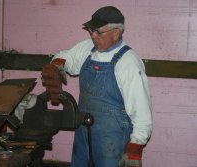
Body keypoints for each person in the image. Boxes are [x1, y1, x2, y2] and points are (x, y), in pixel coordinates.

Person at [41, 6, 152, 167]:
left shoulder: (129, 63)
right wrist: (58, 65)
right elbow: (68, 56)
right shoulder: (88, 48)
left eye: (98, 32)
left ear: (116, 32)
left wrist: (135, 149)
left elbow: (141, 111)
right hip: (83, 131)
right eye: (91, 30)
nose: (93, 35)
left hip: (112, 138)